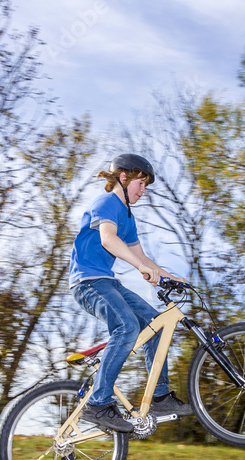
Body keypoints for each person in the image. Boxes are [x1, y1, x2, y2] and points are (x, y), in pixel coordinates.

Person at [68, 153, 194, 433]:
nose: (144, 190)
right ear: (123, 178)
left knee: (154, 325)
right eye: (141, 183)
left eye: (146, 185)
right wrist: (140, 267)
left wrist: (169, 278)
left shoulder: (128, 217)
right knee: (126, 326)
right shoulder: (106, 203)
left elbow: (143, 258)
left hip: (108, 283)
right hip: (87, 282)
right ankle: (98, 404)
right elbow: (108, 239)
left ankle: (159, 396)